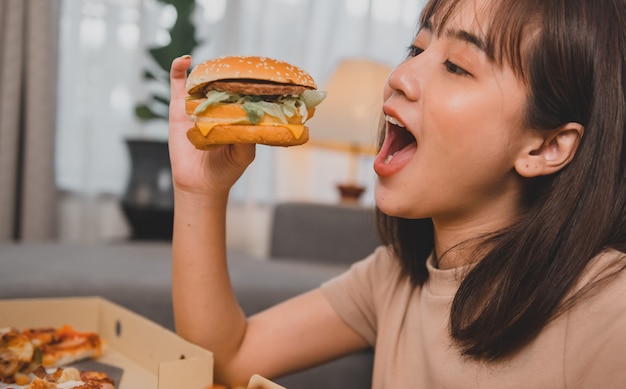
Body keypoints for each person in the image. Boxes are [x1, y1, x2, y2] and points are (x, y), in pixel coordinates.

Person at [167, 0, 626, 387]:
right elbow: (229, 354)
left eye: (456, 66)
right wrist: (199, 191)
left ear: (546, 146)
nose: (401, 75)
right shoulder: (392, 278)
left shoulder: (610, 313)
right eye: (417, 47)